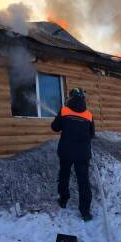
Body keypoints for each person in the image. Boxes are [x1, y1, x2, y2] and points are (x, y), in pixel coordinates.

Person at [51, 88, 95, 221]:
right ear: (82, 98)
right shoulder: (89, 115)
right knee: (84, 181)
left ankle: (63, 200)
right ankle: (85, 212)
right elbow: (92, 134)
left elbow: (55, 127)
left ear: (70, 97)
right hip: (83, 154)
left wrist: (61, 121)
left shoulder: (64, 111)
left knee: (64, 175)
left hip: (66, 152)